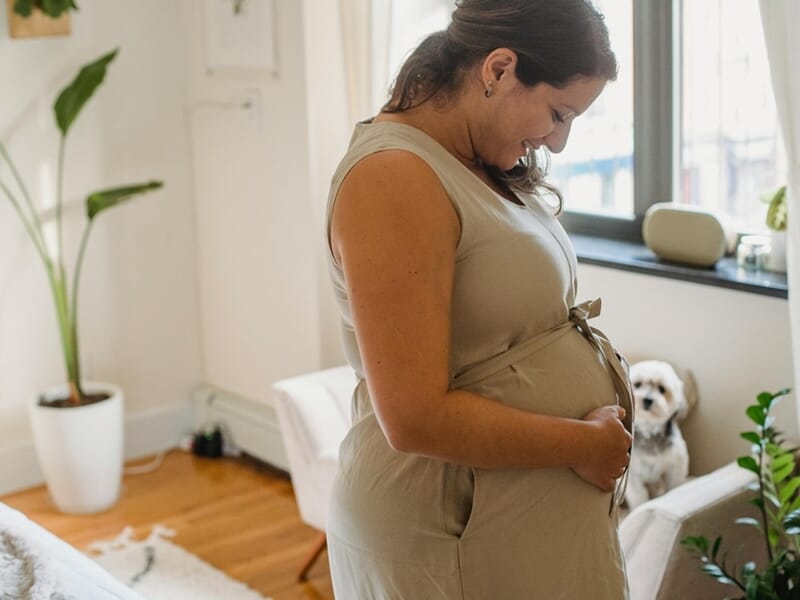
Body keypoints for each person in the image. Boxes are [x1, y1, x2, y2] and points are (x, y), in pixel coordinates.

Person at [324, 1, 635, 597]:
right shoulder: (393, 177)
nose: (559, 141)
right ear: (497, 70)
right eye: (557, 112)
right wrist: (584, 445)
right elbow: (413, 416)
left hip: (511, 518)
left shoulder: (477, 161)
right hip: (449, 524)